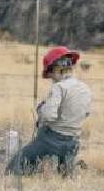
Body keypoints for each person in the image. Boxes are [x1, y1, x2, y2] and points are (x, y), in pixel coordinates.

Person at [7, 46, 92, 177]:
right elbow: (86, 113)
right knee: (64, 175)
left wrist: (41, 110)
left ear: (56, 69)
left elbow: (49, 116)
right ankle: (65, 169)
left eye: (51, 74)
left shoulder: (58, 87)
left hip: (51, 139)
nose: (51, 78)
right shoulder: (85, 88)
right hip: (73, 142)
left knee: (14, 167)